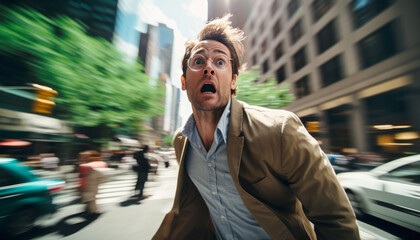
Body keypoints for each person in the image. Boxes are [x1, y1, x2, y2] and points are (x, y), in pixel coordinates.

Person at [153, 15, 360, 240]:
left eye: (220, 61)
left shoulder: (281, 131)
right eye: (199, 61)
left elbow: (336, 220)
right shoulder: (181, 142)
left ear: (233, 81)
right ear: (184, 83)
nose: (209, 68)